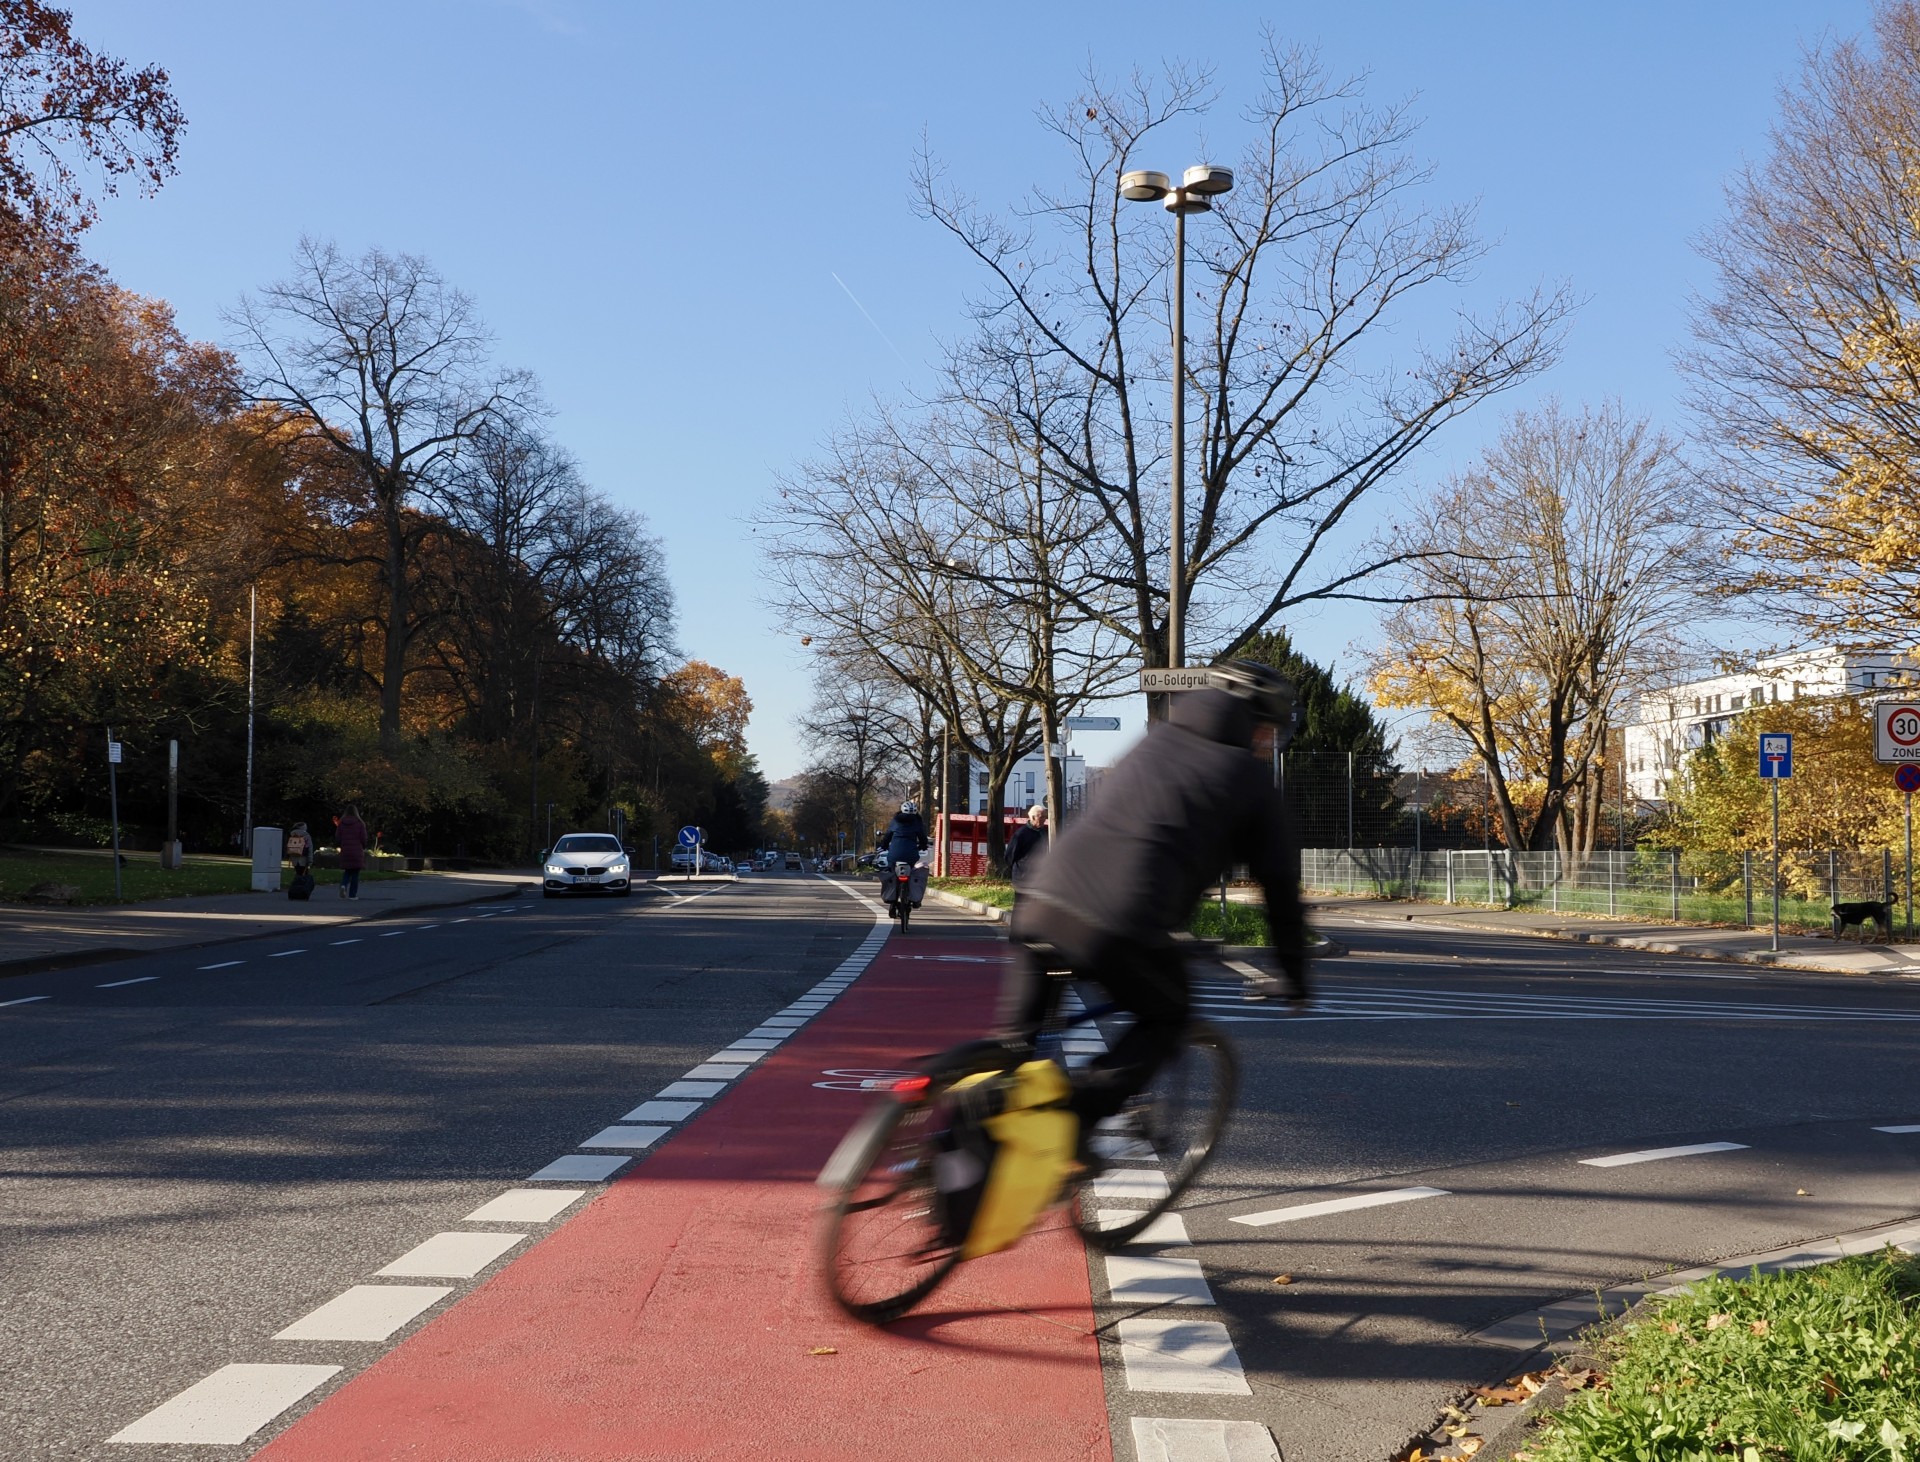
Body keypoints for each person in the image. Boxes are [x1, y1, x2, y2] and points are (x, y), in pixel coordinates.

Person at [999, 661, 1310, 1134]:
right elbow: (1280, 886)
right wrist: (1294, 973)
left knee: (1011, 1053)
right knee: (1169, 1015)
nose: (1269, 743)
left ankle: (954, 1131)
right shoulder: (1249, 779)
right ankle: (1071, 1122)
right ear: (1258, 723)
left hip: (1042, 899)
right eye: (1270, 730)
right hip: (1116, 925)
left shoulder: (1156, 742)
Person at [877, 799, 929, 906]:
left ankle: (891, 897)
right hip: (911, 854)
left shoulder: (895, 821)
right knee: (912, 873)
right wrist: (923, 846)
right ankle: (914, 898)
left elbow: (888, 835)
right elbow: (922, 837)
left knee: (892, 871)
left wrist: (883, 846)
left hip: (895, 854)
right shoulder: (917, 822)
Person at [1005, 803, 1049, 890]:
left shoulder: (1043, 832)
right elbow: (1009, 855)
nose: (1045, 819)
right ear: (1033, 817)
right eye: (1042, 817)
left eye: (1045, 817)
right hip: (1022, 878)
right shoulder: (1020, 834)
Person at [336, 805, 368, 900]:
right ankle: (352, 895)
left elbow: (337, 837)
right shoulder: (360, 823)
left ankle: (343, 885)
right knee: (355, 873)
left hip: (345, 850)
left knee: (347, 871)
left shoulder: (341, 823)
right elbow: (364, 838)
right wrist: (364, 846)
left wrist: (341, 844)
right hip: (357, 850)